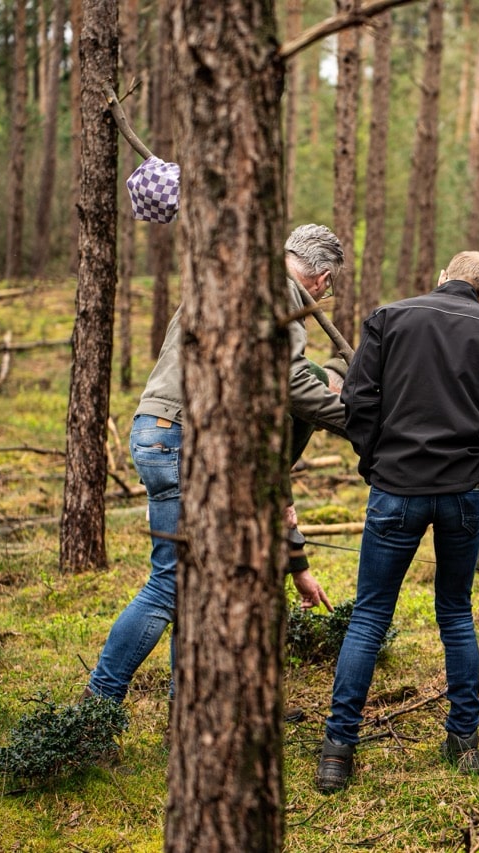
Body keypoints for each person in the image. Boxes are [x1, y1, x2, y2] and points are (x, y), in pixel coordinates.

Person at [84, 223, 347, 704]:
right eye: (327, 286)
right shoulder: (280, 294)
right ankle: (97, 703)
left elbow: (260, 419)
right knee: (172, 583)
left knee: (194, 586)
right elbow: (291, 385)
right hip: (182, 437)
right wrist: (359, 422)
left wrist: (291, 544)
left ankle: (189, 713)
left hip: (160, 429)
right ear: (323, 278)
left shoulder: (232, 280)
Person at [316, 251, 479, 793]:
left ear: (441, 276)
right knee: (456, 614)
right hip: (462, 491)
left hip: (396, 488)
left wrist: (375, 462)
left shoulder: (388, 318)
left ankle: (337, 751)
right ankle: (464, 741)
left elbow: (356, 401)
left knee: (369, 617)